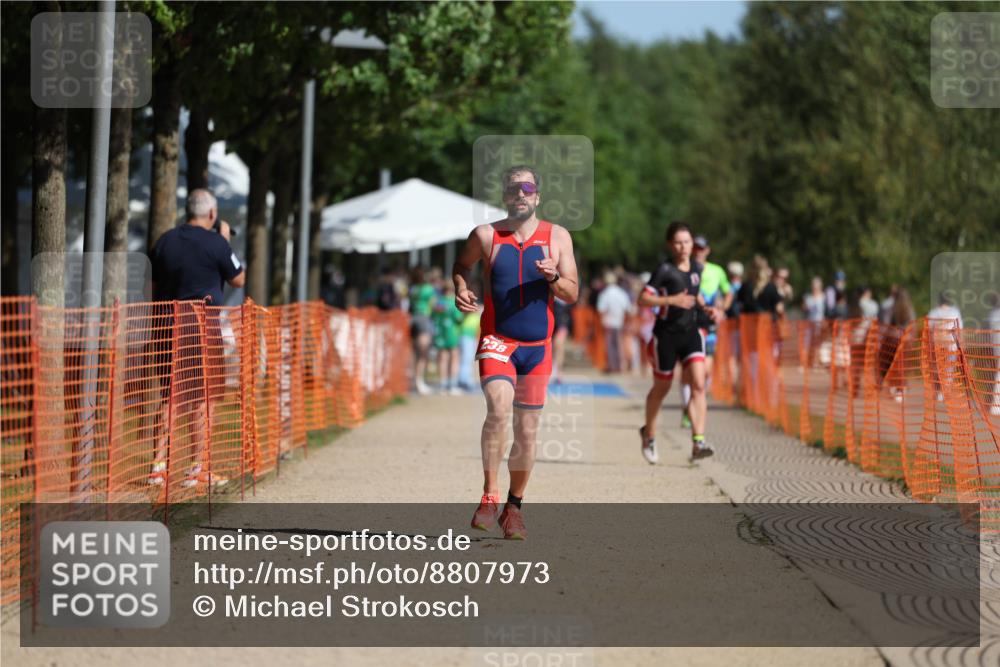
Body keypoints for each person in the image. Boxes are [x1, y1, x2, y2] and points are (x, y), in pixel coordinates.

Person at [454, 165, 579, 540]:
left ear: (538, 196)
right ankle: (489, 495)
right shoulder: (487, 235)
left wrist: (554, 277)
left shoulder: (557, 237)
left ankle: (514, 507)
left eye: (527, 188)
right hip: (498, 340)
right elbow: (462, 264)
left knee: (527, 431)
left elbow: (572, 293)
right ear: (506, 197)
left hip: (537, 349)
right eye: (513, 188)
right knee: (498, 409)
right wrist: (459, 286)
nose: (520, 194)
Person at [148, 188, 245, 488]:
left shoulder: (164, 241)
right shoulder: (217, 243)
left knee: (169, 395)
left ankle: (158, 467)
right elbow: (238, 277)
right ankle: (197, 466)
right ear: (212, 214)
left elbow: (152, 284)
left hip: (167, 324)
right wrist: (226, 240)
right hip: (202, 328)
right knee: (203, 397)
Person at [637, 221, 720, 465]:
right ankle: (649, 434)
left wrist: (707, 308)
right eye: (678, 242)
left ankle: (698, 441)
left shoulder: (696, 267)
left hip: (691, 333)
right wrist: (671, 300)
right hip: (666, 336)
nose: (683, 246)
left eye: (687, 241)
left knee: (698, 383)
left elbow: (695, 294)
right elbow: (643, 299)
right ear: (670, 245)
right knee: (662, 388)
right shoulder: (664, 270)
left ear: (692, 243)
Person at [679, 235, 732, 429]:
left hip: (708, 324)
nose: (699, 251)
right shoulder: (686, 268)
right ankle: (687, 408)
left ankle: (695, 402)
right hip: (688, 324)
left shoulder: (717, 271)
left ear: (708, 250)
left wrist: (723, 309)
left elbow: (728, 291)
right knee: (688, 373)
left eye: (702, 248)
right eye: (697, 248)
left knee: (705, 371)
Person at [596, 272, 632, 373]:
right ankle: (620, 366)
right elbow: (628, 309)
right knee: (619, 345)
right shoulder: (621, 293)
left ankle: (612, 366)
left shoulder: (605, 293)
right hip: (619, 322)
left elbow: (601, 309)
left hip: (608, 323)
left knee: (610, 346)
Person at [409, 267, 436, 395]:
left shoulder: (412, 288)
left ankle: (417, 380)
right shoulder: (428, 289)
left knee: (416, 353)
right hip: (424, 318)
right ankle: (419, 382)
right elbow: (434, 304)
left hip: (413, 318)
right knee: (423, 353)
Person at [432, 282, 464, 394]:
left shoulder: (438, 303)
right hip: (452, 333)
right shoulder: (453, 303)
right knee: (454, 358)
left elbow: (433, 317)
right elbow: (459, 319)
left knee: (442, 358)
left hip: (440, 333)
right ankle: (452, 385)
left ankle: (442, 384)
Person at [551, 296, 572, 384]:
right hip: (551, 322)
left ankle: (559, 372)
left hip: (562, 323)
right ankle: (552, 370)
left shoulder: (564, 295)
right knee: (551, 347)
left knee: (559, 346)